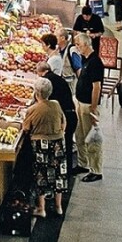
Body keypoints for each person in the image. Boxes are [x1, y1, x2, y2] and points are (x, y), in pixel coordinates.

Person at [21, 77, 68, 217]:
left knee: (41, 174)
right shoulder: (56, 104)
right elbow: (63, 122)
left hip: (41, 144)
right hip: (58, 141)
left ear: (36, 93)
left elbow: (25, 128)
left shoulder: (32, 109)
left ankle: (42, 209)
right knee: (59, 173)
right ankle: (59, 206)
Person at [36, 61, 77, 178]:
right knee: (67, 145)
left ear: (41, 72)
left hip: (65, 118)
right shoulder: (58, 79)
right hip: (71, 114)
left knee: (60, 148)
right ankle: (67, 172)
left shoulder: (47, 82)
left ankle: (60, 174)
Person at [73, 32, 103, 182]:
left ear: (86, 44)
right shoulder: (85, 59)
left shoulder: (95, 62)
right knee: (80, 136)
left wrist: (93, 107)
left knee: (91, 138)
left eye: (78, 44)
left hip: (88, 105)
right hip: (80, 103)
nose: (77, 47)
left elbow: (96, 87)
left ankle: (96, 170)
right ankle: (82, 163)